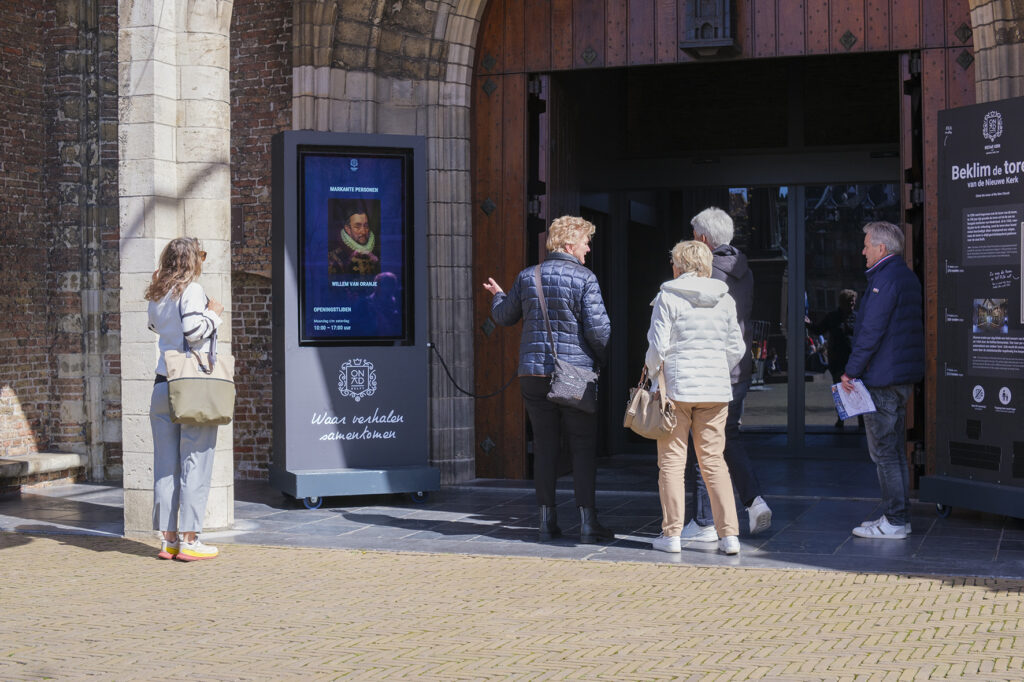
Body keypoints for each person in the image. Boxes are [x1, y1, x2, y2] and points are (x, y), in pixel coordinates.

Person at [483, 216, 613, 543]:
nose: (587, 248)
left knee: (545, 448)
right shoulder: (585, 278)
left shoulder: (528, 276)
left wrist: (499, 295)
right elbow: (599, 331)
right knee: (582, 448)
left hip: (533, 375)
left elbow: (503, 316)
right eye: (585, 242)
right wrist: (601, 360)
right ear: (569, 245)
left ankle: (546, 522)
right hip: (573, 375)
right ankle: (587, 523)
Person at [645, 240, 746, 555]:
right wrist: (718, 369)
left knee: (672, 462)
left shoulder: (667, 297)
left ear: (677, 265)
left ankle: (671, 535)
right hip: (715, 390)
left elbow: (657, 348)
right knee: (714, 462)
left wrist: (652, 375)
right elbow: (737, 348)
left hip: (676, 390)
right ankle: (729, 536)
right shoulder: (725, 299)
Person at [681, 207, 772, 543]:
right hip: (739, 368)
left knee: (704, 444)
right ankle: (754, 500)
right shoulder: (742, 270)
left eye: (694, 236)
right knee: (727, 438)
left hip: (711, 370)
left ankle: (705, 522)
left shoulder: (707, 276)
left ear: (703, 239)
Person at [842, 221, 924, 540]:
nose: (862, 251)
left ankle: (894, 520)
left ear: (882, 248)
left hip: (882, 380)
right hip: (899, 379)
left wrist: (851, 371)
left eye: (866, 245)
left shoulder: (884, 280)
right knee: (894, 452)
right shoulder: (904, 276)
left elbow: (870, 332)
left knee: (884, 454)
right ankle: (897, 518)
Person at [145, 237, 225, 561]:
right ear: (193, 260)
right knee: (196, 460)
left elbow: (153, 325)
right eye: (201, 256)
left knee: (165, 465)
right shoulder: (191, 289)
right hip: (191, 385)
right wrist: (214, 314)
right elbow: (194, 332)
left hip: (162, 383)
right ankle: (191, 539)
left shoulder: (158, 292)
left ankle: (169, 540)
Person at [809, 288, 858, 428]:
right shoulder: (832, 317)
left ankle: (860, 420)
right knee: (839, 389)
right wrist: (808, 324)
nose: (852, 306)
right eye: (850, 303)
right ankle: (841, 418)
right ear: (843, 303)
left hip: (853, 359)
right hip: (837, 359)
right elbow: (819, 330)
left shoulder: (857, 317)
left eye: (853, 303)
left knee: (856, 390)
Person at [328, 206, 380, 277]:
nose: (363, 232)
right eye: (357, 227)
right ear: (348, 229)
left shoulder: (378, 251)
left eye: (366, 226)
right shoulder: (335, 257)